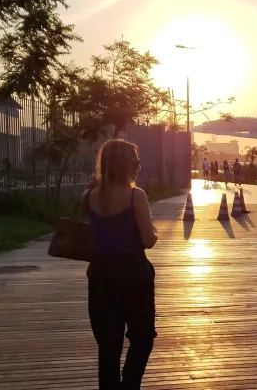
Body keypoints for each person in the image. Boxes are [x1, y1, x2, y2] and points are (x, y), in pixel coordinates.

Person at [80, 139, 157, 390]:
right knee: (142, 337)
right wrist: (153, 232)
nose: (138, 166)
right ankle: (130, 384)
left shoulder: (89, 196)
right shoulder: (136, 196)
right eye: (135, 161)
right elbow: (147, 240)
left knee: (108, 343)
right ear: (124, 163)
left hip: (100, 275)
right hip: (134, 275)